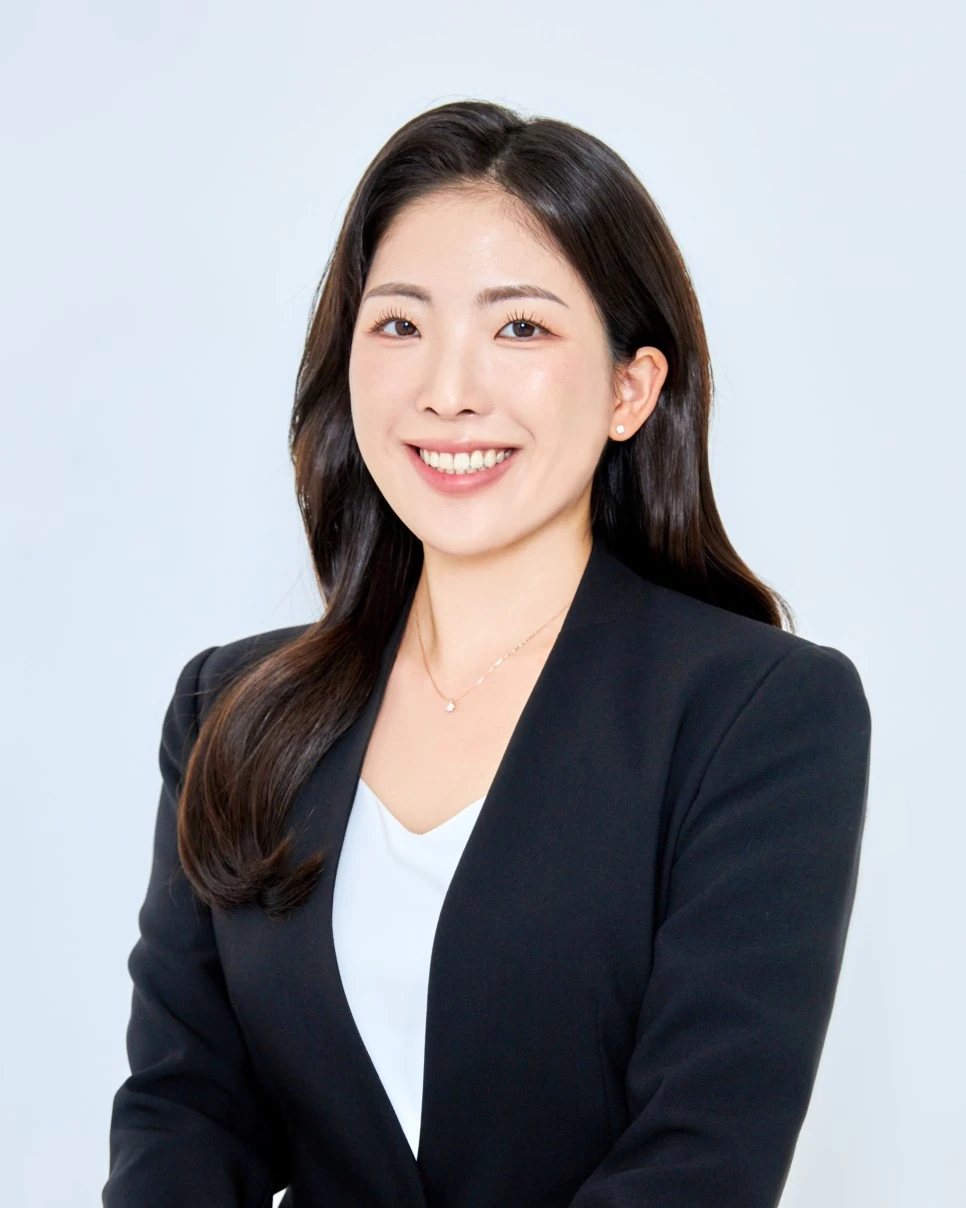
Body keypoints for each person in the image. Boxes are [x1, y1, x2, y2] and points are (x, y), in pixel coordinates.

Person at [102, 99, 872, 1208]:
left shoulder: (758, 712)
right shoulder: (231, 705)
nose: (448, 390)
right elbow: (184, 1112)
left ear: (630, 389)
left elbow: (699, 1158)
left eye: (519, 328)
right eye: (399, 325)